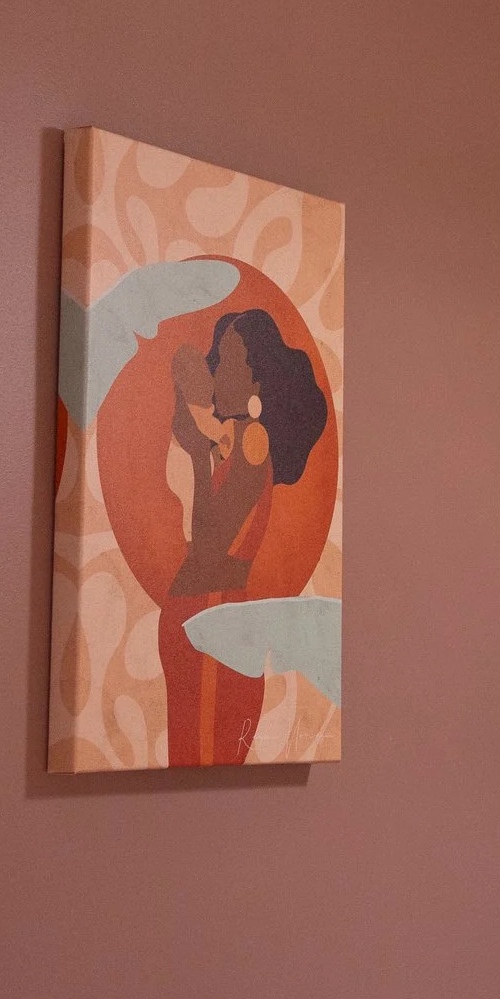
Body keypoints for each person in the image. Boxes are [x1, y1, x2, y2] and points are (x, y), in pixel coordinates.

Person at [160, 310, 329, 765]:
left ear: (258, 380)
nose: (216, 370)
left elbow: (209, 544)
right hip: (199, 621)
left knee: (203, 761)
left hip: (214, 626)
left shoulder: (253, 440)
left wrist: (198, 457)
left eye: (230, 359)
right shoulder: (231, 440)